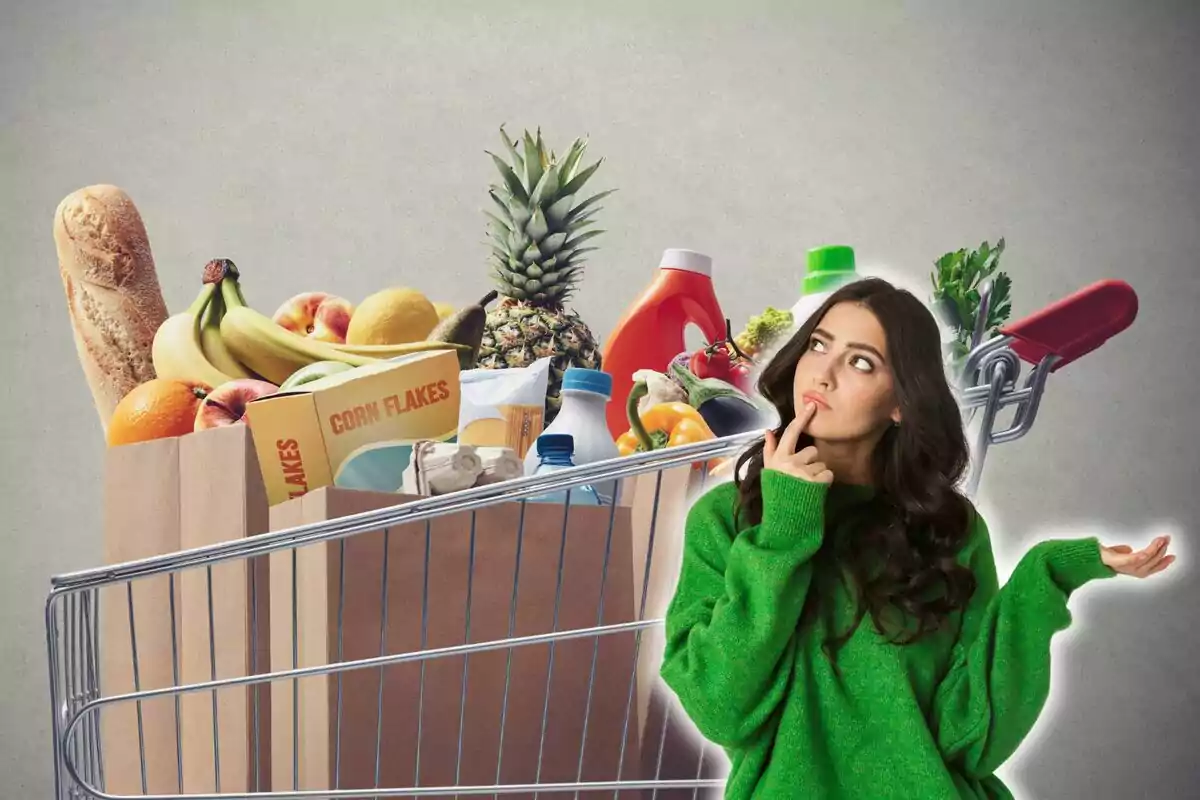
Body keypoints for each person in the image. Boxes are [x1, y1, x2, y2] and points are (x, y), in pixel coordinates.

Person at [659, 277, 1174, 799]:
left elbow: (971, 738)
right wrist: (784, 530)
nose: (824, 373)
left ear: (901, 402)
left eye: (861, 362)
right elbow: (718, 707)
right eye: (819, 344)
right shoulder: (726, 520)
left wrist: (1048, 574)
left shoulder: (948, 529)